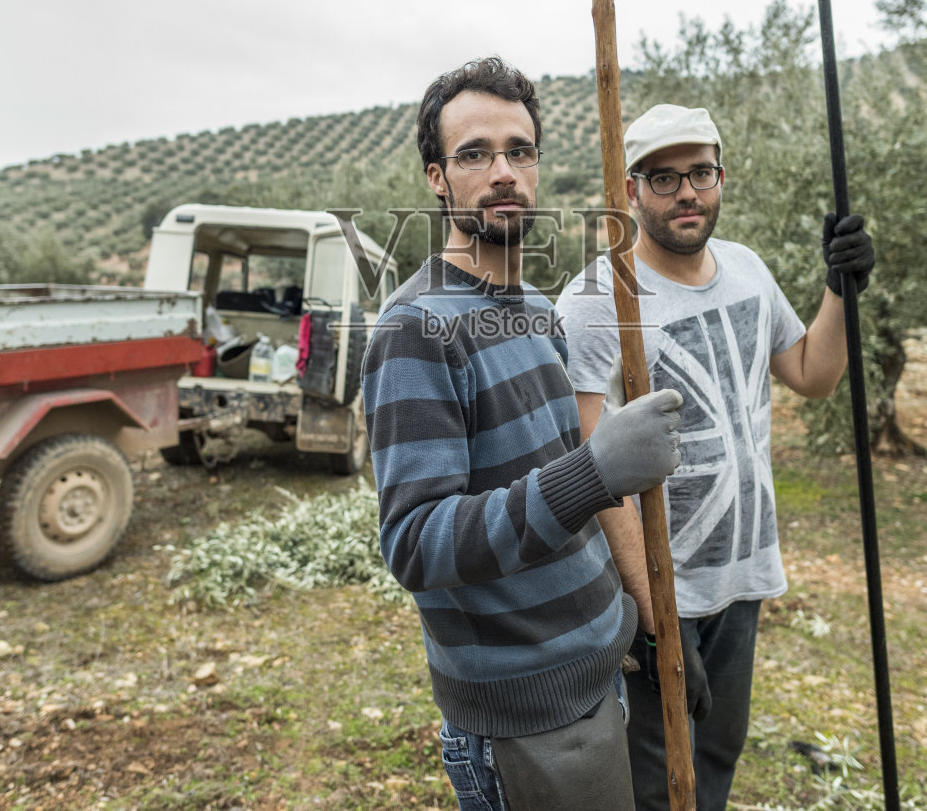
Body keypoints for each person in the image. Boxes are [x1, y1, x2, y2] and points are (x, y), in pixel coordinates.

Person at [362, 57, 689, 810]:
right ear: (438, 178)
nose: (503, 171)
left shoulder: (534, 309)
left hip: (598, 674)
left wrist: (638, 620)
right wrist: (594, 472)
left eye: (520, 150)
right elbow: (415, 544)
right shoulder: (417, 332)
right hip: (521, 713)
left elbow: (570, 478)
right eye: (475, 154)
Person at [554, 104, 875, 810]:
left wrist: (841, 288)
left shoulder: (747, 272)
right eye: (663, 179)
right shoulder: (595, 300)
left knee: (717, 762)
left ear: (722, 177)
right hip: (657, 590)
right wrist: (658, 619)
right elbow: (587, 471)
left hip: (743, 573)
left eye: (700, 173)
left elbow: (813, 375)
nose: (687, 193)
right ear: (632, 192)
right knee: (658, 781)